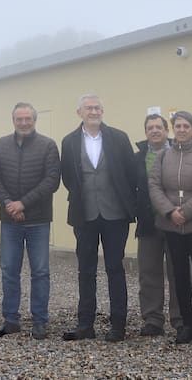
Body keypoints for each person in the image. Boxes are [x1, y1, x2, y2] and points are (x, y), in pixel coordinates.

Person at [60, 94, 137, 343]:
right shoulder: (69, 141)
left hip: (115, 214)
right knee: (86, 270)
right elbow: (68, 177)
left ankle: (118, 326)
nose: (93, 111)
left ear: (102, 111)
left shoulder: (119, 137)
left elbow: (131, 174)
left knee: (115, 268)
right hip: (85, 215)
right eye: (88, 108)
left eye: (97, 107)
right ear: (79, 113)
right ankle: (85, 325)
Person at [0, 102, 60, 341]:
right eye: (20, 119)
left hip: (38, 220)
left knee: (40, 272)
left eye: (28, 119)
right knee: (9, 270)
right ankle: (11, 320)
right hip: (9, 220)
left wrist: (23, 203)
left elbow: (51, 180)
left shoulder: (48, 145)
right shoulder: (1, 145)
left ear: (34, 120)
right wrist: (9, 203)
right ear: (13, 120)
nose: (24, 123)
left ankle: (40, 321)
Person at [148, 110, 192, 346]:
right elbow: (155, 186)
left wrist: (186, 212)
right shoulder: (162, 157)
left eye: (186, 126)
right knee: (179, 276)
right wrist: (170, 212)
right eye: (178, 126)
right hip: (172, 225)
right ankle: (186, 325)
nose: (181, 130)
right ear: (173, 129)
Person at [133, 113, 184, 338]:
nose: (154, 131)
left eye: (159, 127)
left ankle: (181, 319)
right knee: (148, 273)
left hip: (175, 221)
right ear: (145, 132)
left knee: (178, 272)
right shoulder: (137, 158)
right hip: (148, 223)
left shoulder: (180, 153)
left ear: (167, 130)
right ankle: (153, 319)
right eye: (150, 127)